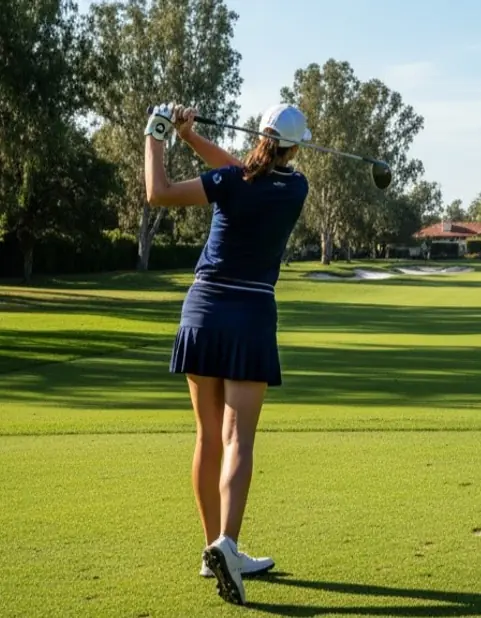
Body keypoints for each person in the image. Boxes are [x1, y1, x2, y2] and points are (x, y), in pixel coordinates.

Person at [143, 102, 311, 606]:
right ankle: (227, 547)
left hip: (203, 310)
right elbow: (241, 169)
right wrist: (191, 137)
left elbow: (159, 193)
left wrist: (158, 134)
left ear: (259, 136)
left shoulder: (229, 182)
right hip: (251, 314)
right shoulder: (295, 187)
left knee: (208, 435)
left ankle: (210, 548)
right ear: (295, 148)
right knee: (239, 438)